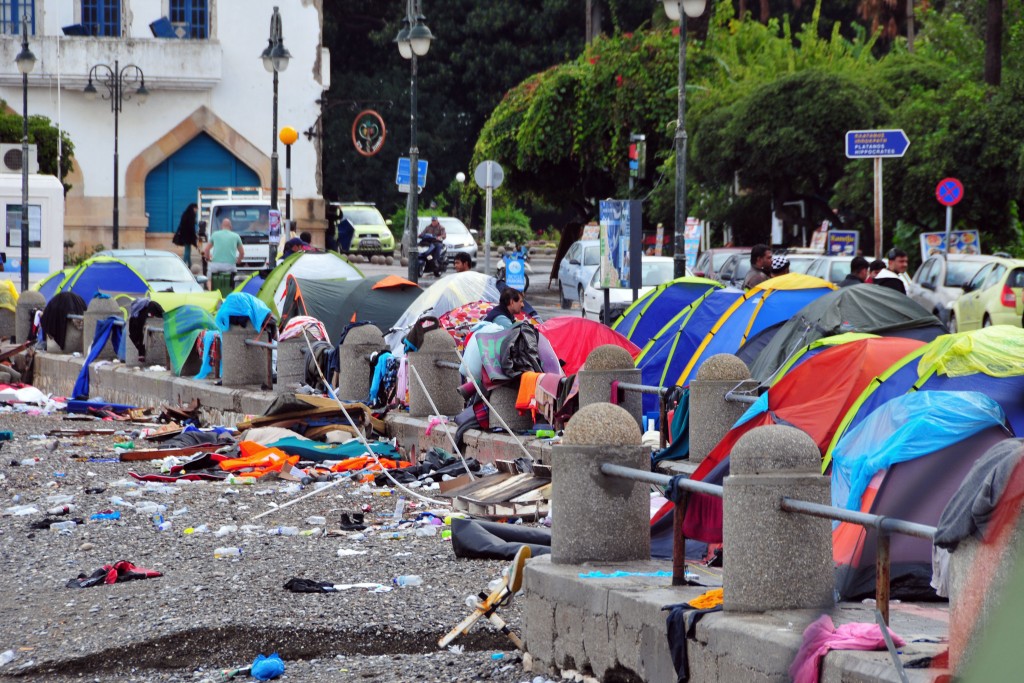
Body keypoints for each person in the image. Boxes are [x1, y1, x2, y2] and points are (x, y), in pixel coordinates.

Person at [202, 218, 244, 289]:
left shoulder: (215, 234)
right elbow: (242, 253)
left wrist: (208, 258)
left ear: (221, 226)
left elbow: (206, 249)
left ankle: (210, 291)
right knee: (235, 280)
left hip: (216, 265)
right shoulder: (236, 236)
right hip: (230, 265)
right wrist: (239, 260)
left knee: (209, 279)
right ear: (230, 227)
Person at [172, 203, 199, 267]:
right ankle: (183, 265)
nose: (196, 210)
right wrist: (194, 237)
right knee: (187, 251)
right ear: (193, 208)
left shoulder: (185, 214)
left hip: (185, 235)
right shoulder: (191, 215)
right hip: (188, 236)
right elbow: (191, 227)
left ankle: (190, 265)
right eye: (196, 209)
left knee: (188, 250)